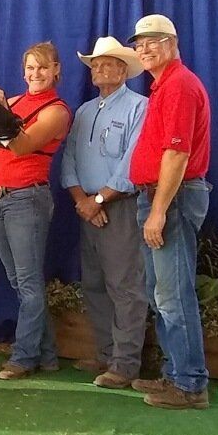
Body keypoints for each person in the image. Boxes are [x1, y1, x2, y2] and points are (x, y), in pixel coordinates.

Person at [0, 41, 72, 380]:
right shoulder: (13, 103)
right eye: (30, 68)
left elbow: (22, 144)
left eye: (42, 67)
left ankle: (23, 357)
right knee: (19, 281)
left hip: (27, 199)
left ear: (56, 71)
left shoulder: (56, 111)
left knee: (27, 282)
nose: (35, 74)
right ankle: (48, 353)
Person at [127, 14, 212, 410]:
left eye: (152, 41)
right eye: (139, 43)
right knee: (162, 293)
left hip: (171, 199)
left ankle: (191, 385)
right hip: (160, 196)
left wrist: (158, 210)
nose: (144, 48)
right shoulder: (165, 86)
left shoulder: (178, 86)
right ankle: (176, 374)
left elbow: (177, 153)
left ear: (172, 43)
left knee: (173, 294)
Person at [61, 37, 148, 388]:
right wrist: (83, 200)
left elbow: (133, 162)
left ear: (124, 70)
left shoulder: (139, 107)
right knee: (95, 284)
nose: (98, 69)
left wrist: (99, 201)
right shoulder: (83, 111)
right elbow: (69, 159)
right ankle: (106, 353)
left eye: (107, 63)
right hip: (87, 208)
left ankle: (126, 364)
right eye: (95, 64)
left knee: (125, 286)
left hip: (120, 208)